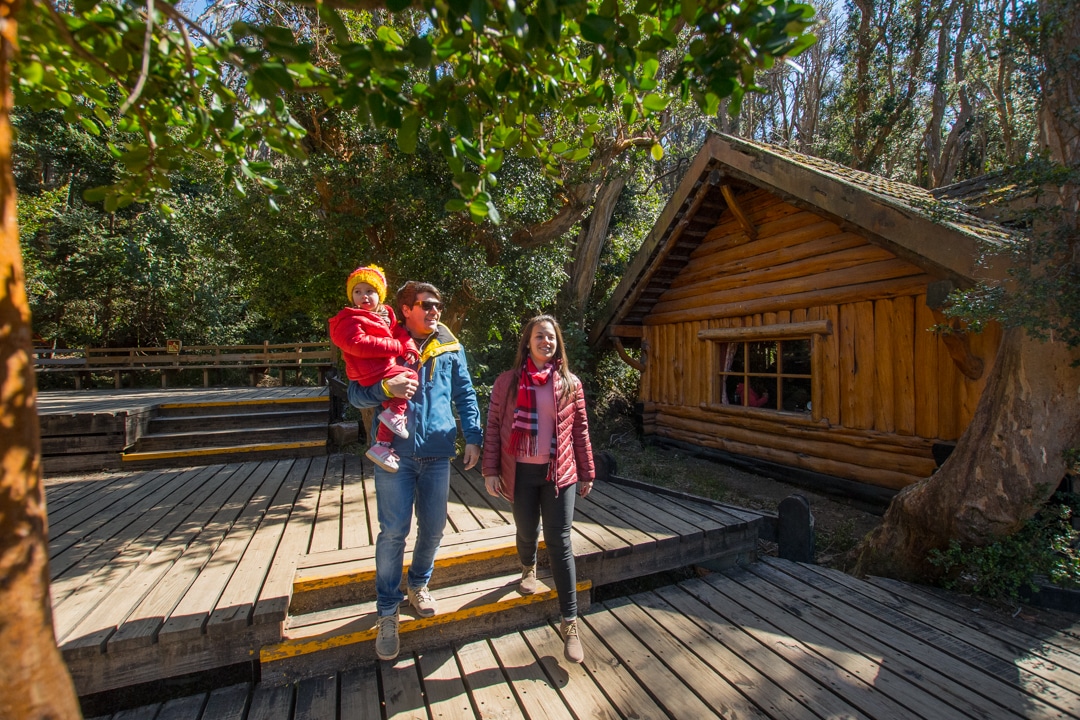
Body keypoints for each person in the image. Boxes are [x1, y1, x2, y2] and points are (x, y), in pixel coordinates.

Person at [347, 280, 483, 662]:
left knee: (435, 528)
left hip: (439, 454)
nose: (434, 311)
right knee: (393, 533)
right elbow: (356, 393)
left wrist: (473, 436)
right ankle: (387, 612)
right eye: (426, 304)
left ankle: (418, 584)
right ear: (406, 309)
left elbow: (466, 393)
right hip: (395, 455)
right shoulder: (382, 340)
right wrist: (383, 388)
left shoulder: (450, 345)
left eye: (437, 305)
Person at [482, 315, 595, 664]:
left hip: (559, 473)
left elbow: (580, 431)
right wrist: (490, 469)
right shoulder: (508, 383)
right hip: (519, 473)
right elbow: (494, 426)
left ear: (558, 342)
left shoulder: (569, 384)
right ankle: (528, 566)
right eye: (539, 336)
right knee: (526, 531)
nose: (545, 341)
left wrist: (587, 470)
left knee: (560, 541)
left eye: (550, 337)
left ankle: (570, 622)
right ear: (527, 342)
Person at [329, 265, 420, 473]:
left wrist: (408, 346)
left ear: (380, 294)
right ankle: (394, 418)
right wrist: (398, 348)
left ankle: (381, 446)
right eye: (358, 292)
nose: (364, 296)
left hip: (381, 368)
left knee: (391, 408)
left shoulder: (386, 316)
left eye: (370, 291)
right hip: (368, 371)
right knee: (409, 375)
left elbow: (399, 332)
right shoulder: (348, 319)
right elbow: (358, 344)